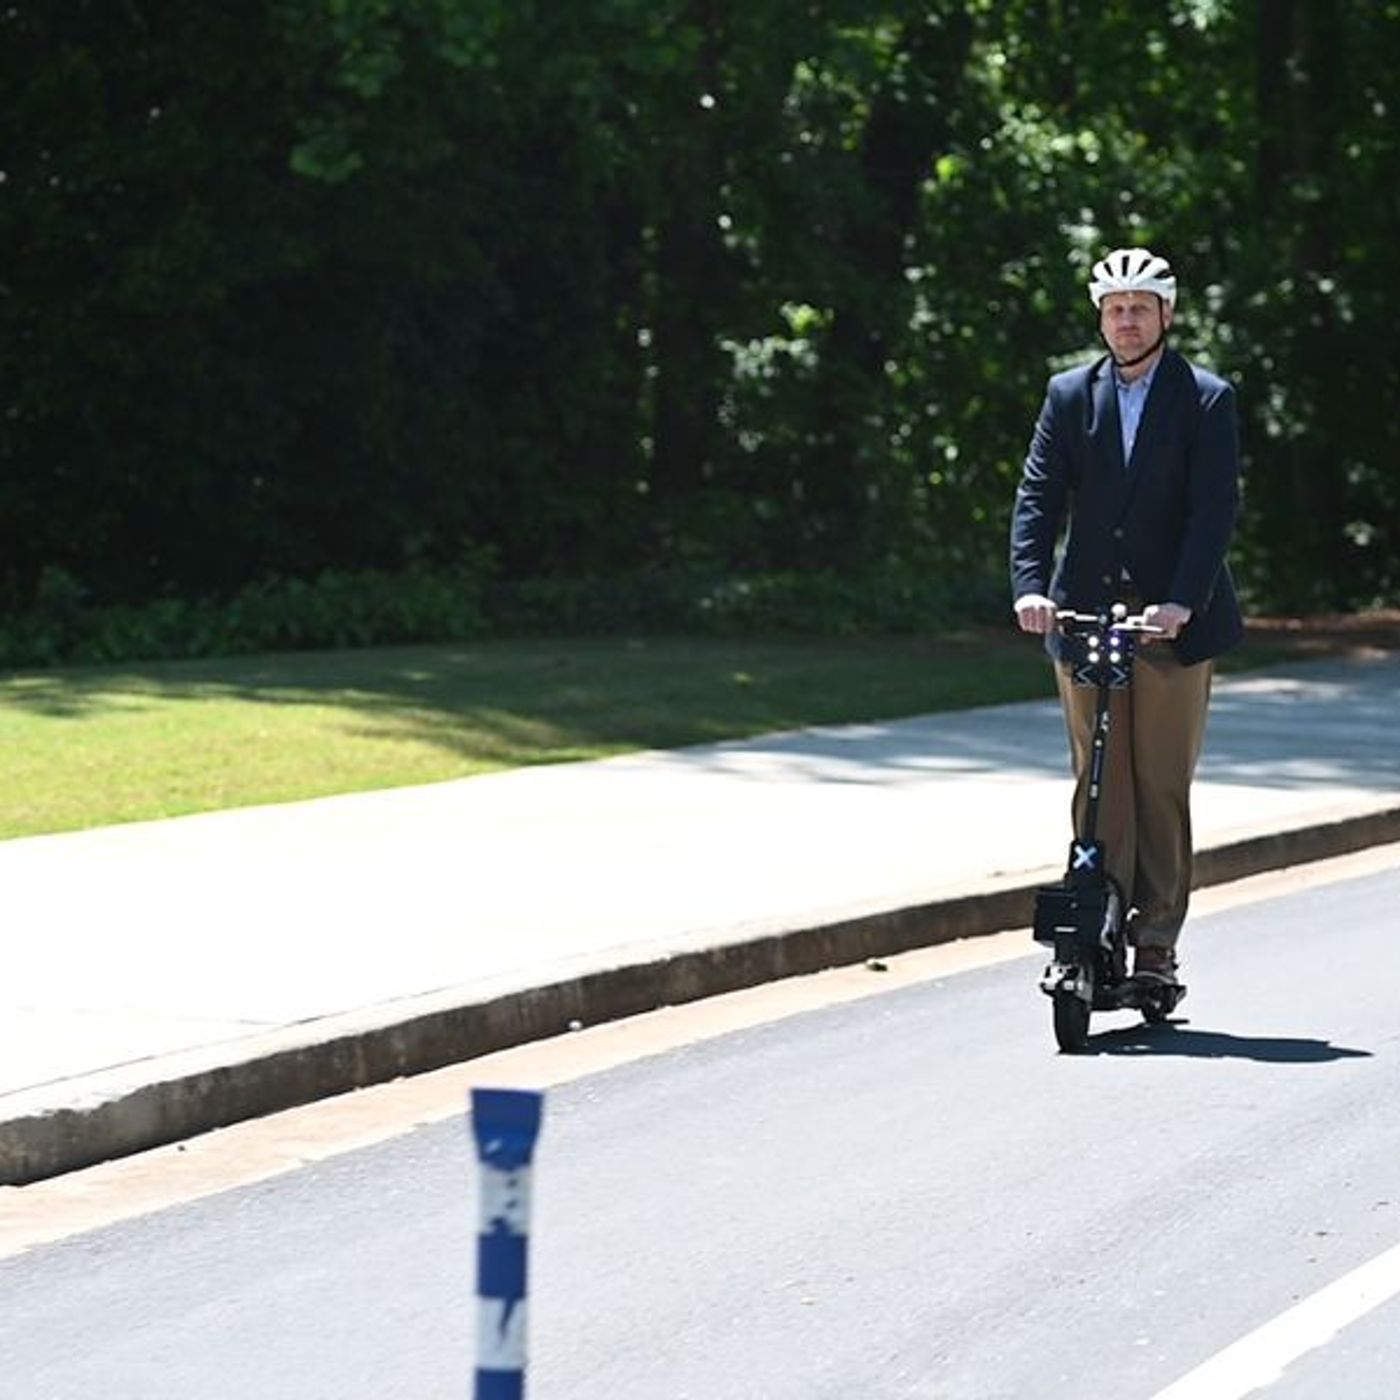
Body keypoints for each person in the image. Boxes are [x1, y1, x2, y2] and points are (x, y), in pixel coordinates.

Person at [1009, 247, 1243, 986]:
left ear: (1166, 315)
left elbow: (1214, 512)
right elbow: (1038, 496)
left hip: (1170, 624)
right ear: (1101, 317)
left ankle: (1157, 941)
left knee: (1158, 782)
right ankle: (1096, 919)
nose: (1128, 321)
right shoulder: (1070, 394)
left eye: (1141, 307)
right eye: (1116, 308)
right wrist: (1030, 587)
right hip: (1082, 617)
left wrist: (1183, 599)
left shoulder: (1204, 397)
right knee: (1098, 780)